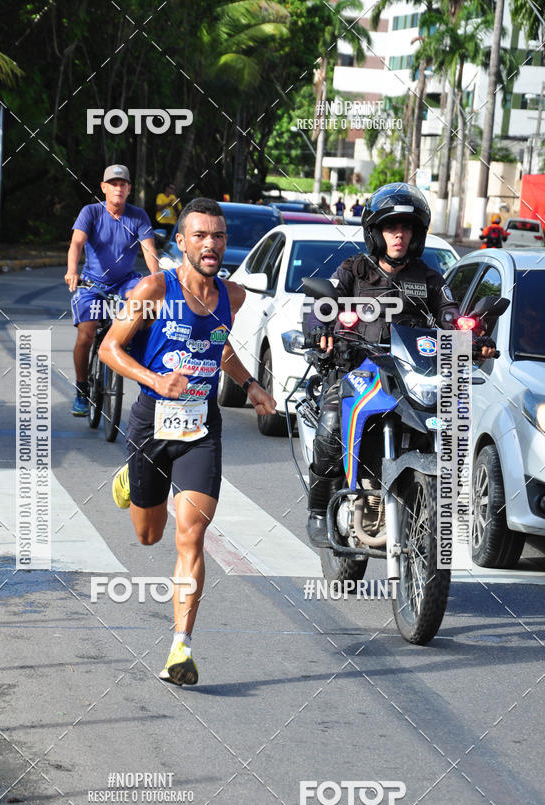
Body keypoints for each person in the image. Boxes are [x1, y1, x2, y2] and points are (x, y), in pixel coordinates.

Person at [98, 197, 276, 686]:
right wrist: (156, 380)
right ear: (181, 243)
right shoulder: (155, 288)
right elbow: (109, 348)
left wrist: (251, 384)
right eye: (200, 236)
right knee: (148, 535)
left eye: (218, 235)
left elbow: (218, 347)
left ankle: (181, 648)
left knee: (191, 535)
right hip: (151, 424)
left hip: (201, 429)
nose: (210, 244)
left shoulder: (233, 296)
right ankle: (131, 480)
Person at [304, 182, 497, 546]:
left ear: (415, 234)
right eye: (391, 227)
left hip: (409, 374)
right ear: (375, 232)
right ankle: (317, 510)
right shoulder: (354, 270)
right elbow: (322, 306)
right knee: (331, 427)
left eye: (406, 227)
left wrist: (473, 339)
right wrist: (320, 330)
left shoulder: (429, 278)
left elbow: (451, 316)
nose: (399, 235)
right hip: (357, 370)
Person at [64, 164, 159, 416]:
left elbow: (149, 250)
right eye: (113, 184)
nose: (118, 188)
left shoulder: (138, 216)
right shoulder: (91, 212)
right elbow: (76, 243)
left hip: (125, 281)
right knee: (87, 334)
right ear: (103, 187)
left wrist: (157, 280)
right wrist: (72, 270)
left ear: (129, 189)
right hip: (93, 283)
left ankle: (129, 346)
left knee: (146, 308)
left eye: (123, 184)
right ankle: (82, 389)